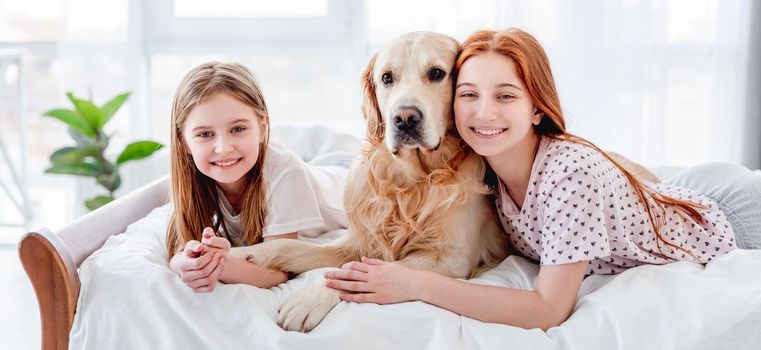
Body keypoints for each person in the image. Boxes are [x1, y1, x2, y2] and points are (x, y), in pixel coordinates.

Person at [323, 28, 761, 330]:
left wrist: (415, 282)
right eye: (469, 94)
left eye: (506, 97)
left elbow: (548, 310)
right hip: (675, 190)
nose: (484, 113)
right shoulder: (476, 159)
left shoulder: (569, 175)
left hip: (732, 215)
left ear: (537, 109)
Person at [166, 61, 353, 293]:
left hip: (344, 178)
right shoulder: (193, 175)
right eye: (205, 134)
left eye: (237, 129)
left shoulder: (286, 174)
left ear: (263, 128)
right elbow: (179, 247)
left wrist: (219, 265)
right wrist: (184, 264)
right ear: (184, 141)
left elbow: (278, 271)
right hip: (319, 167)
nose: (223, 148)